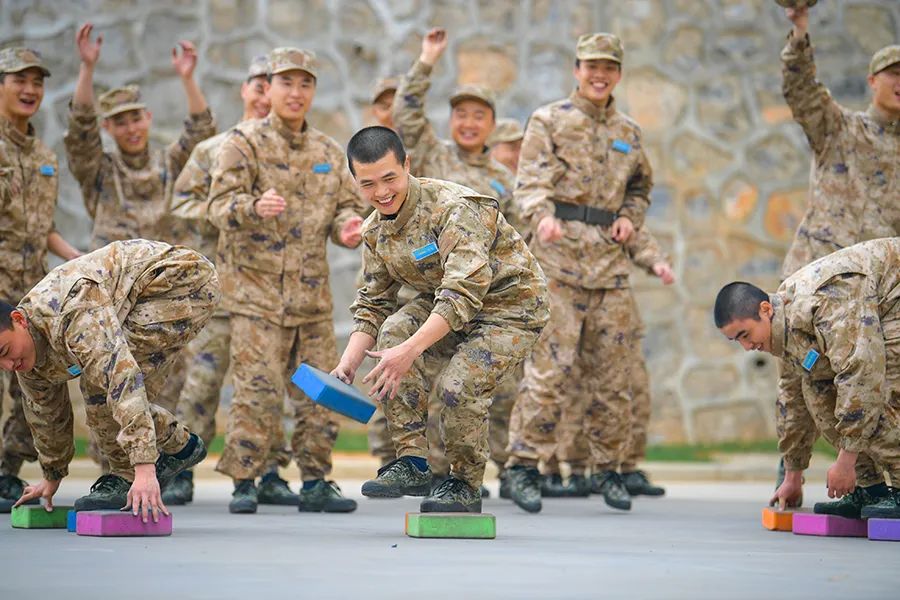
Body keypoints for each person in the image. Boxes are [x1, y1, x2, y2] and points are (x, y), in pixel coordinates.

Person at [334, 126, 549, 513]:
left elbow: (459, 295)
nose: (381, 192)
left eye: (389, 178)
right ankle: (413, 463)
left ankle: (464, 484)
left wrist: (409, 352)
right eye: (368, 184)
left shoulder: (455, 208)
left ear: (407, 165)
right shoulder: (374, 231)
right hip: (446, 305)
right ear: (355, 182)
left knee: (458, 384)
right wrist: (347, 364)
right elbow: (372, 303)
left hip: (510, 307)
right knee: (394, 330)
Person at [208, 47, 366, 515]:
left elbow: (344, 210)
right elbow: (217, 207)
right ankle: (245, 480)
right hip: (255, 298)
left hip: (310, 298)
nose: (296, 93)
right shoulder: (242, 143)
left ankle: (316, 480)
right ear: (268, 87)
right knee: (256, 391)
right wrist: (251, 207)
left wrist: (348, 229)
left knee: (320, 391)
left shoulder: (326, 151)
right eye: (287, 83)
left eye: (305, 84)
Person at [504, 32, 653, 514]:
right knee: (549, 372)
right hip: (558, 265)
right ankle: (523, 467)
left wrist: (631, 216)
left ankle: (608, 470)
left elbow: (640, 187)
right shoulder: (549, 120)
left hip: (609, 269)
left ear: (618, 74)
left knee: (614, 377)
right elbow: (529, 183)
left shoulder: (629, 132)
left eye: (608, 67)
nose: (599, 74)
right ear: (577, 69)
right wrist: (540, 215)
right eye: (591, 65)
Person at [774, 4, 900, 498]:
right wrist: (799, 29)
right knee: (801, 378)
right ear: (872, 81)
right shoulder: (840, 129)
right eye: (892, 74)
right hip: (812, 283)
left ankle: (871, 482)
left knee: (879, 382)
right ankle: (792, 470)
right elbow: (801, 89)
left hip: (879, 295)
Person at [1, 240, 218, 521]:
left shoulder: (71, 313)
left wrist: (143, 468)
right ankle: (182, 447)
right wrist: (52, 476)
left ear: (19, 320)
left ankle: (130, 473)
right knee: (100, 390)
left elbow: (121, 379)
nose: (9, 365)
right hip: (136, 297)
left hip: (180, 280)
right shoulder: (24, 355)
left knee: (102, 387)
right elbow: (46, 414)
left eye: (5, 352)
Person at [164, 54, 293, 506]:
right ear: (245, 91)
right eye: (257, 87)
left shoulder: (289, 152)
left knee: (264, 382)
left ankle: (270, 471)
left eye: (270, 87)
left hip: (270, 292)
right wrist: (230, 214)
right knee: (201, 384)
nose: (264, 96)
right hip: (219, 289)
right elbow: (180, 204)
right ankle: (179, 469)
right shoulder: (214, 149)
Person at [715, 237, 900, 520]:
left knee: (876, 389)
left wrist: (845, 460)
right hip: (881, 309)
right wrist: (793, 474)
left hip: (892, 301)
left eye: (745, 335)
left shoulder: (823, 302)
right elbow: (792, 399)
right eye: (735, 341)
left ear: (765, 309)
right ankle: (870, 488)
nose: (747, 347)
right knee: (815, 388)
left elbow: (861, 374)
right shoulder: (783, 329)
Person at [0, 46, 81, 512]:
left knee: (29, 385)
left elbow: (42, 227)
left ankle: (7, 472)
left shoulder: (44, 154)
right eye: (19, 80)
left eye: (38, 82)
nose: (30, 90)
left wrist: (77, 259)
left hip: (28, 291)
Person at [542, 227, 674, 499]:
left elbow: (632, 231)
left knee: (629, 388)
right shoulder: (553, 199)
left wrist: (655, 260)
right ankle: (572, 468)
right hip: (567, 302)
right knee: (570, 391)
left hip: (613, 308)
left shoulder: (612, 200)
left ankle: (624, 465)